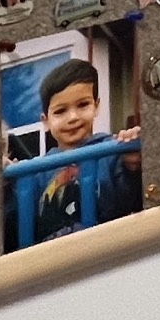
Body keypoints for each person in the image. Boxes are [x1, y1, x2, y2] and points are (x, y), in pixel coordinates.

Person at [28, 56, 128, 241]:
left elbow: (131, 195)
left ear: (96, 106)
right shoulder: (37, 172)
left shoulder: (111, 151)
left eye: (83, 105)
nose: (73, 117)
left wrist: (132, 163)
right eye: (60, 111)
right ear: (45, 121)